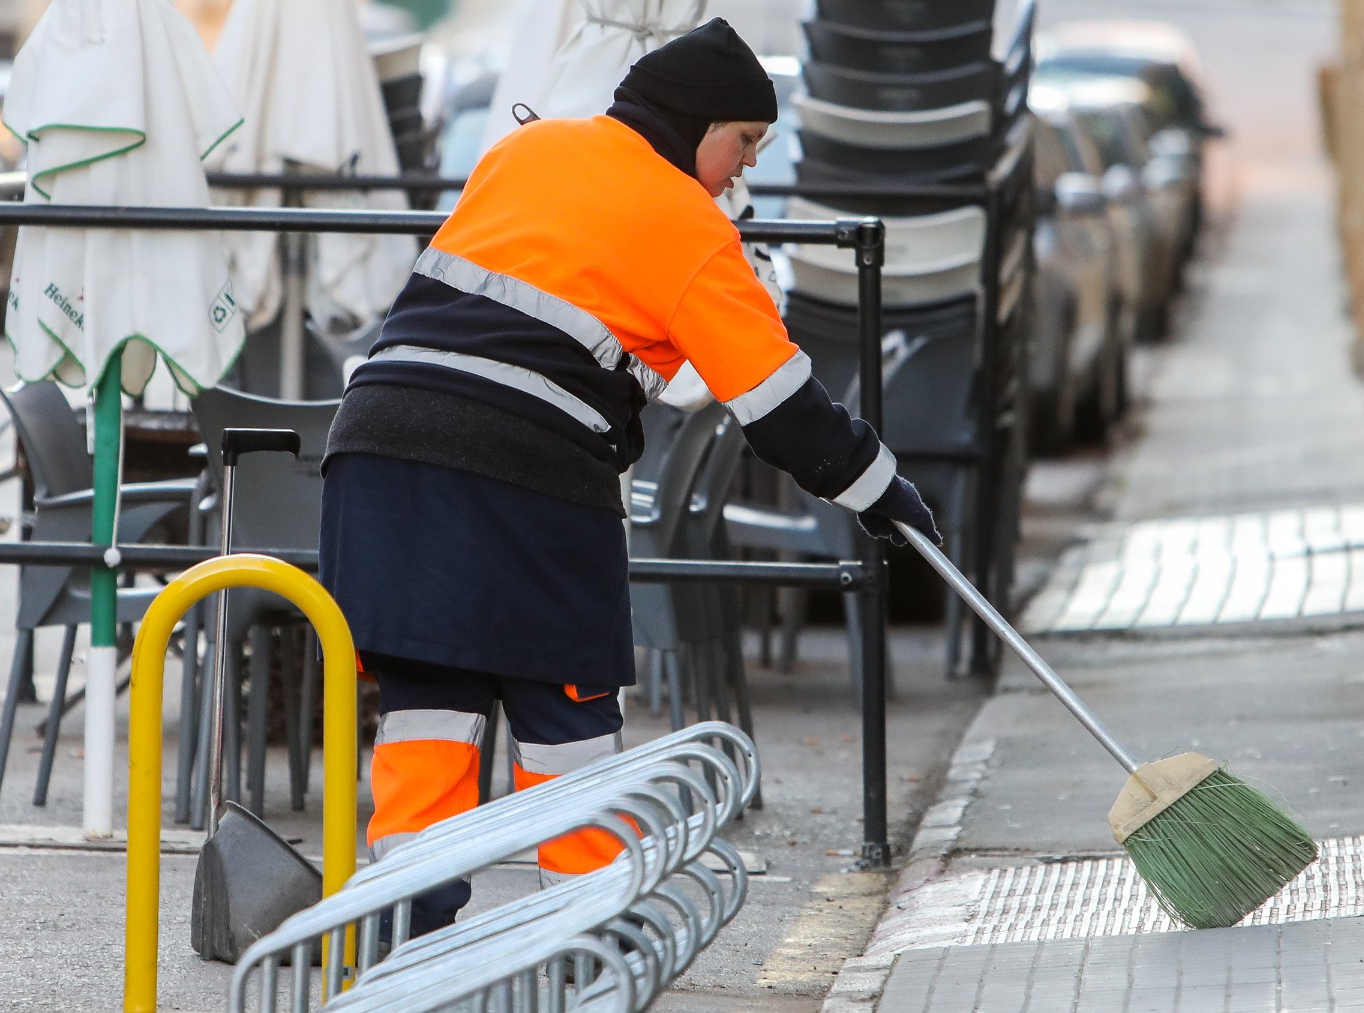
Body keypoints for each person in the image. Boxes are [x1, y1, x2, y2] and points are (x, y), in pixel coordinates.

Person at [318, 17, 940, 938]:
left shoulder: (526, 151)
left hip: (377, 457)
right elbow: (782, 409)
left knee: (427, 719)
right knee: (564, 714)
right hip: (521, 477)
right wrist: (888, 494)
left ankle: (410, 953)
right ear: (698, 126)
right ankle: (587, 944)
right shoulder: (685, 221)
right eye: (743, 144)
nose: (743, 172)